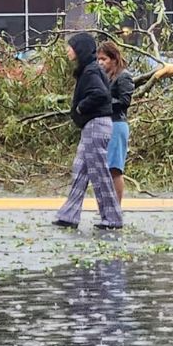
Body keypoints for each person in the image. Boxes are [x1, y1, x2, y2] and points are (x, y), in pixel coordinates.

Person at [53, 33, 123, 230]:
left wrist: (81, 108)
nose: (68, 50)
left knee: (99, 174)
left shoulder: (91, 71)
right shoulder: (90, 69)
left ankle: (112, 219)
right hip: (93, 126)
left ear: (80, 49)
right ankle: (69, 215)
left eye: (71, 47)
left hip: (96, 126)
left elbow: (100, 94)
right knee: (80, 172)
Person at [97, 42, 134, 205]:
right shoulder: (105, 77)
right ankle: (107, 206)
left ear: (114, 59)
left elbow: (125, 101)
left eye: (104, 59)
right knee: (105, 168)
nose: (100, 62)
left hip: (117, 124)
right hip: (105, 124)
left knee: (115, 169)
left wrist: (104, 103)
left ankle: (116, 207)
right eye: (98, 59)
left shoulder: (123, 76)